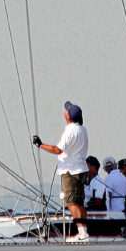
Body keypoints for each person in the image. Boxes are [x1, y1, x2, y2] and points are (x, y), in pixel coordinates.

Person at [33, 101, 89, 242]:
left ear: (68, 116)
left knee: (71, 203)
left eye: (67, 110)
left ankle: (82, 234)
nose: (65, 111)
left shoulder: (70, 130)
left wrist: (40, 145)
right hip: (82, 169)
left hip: (70, 171)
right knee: (80, 203)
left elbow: (58, 150)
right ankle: (84, 232)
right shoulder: (83, 129)